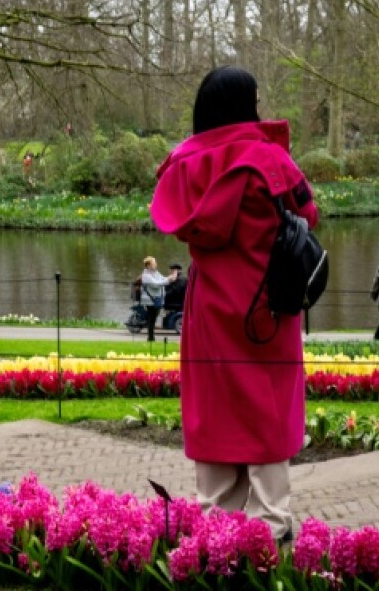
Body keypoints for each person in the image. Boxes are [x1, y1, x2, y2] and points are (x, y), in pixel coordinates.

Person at [149, 66, 319, 546]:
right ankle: (271, 521)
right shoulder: (268, 160)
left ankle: (216, 518)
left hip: (210, 310)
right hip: (267, 304)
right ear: (247, 104)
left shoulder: (182, 165)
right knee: (268, 406)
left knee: (216, 406)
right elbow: (308, 213)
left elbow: (173, 218)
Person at [138, 256, 169, 342]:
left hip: (156, 300)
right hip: (150, 301)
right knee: (152, 319)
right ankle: (151, 338)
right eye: (154, 263)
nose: (156, 264)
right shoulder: (146, 276)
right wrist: (169, 279)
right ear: (148, 265)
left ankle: (151, 337)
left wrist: (169, 278)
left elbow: (163, 279)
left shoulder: (156, 273)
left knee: (153, 319)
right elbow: (156, 285)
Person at [162, 263, 187, 331]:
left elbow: (176, 291)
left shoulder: (181, 280)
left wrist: (164, 294)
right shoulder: (175, 279)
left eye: (171, 270)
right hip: (175, 300)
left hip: (177, 302)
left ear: (176, 270)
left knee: (157, 303)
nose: (170, 272)